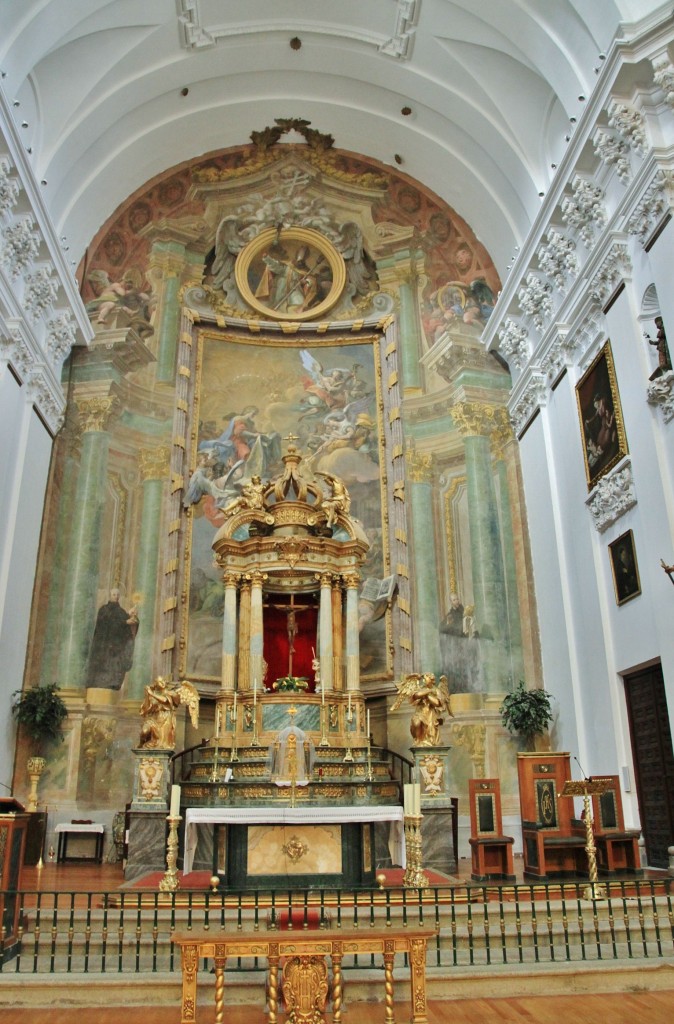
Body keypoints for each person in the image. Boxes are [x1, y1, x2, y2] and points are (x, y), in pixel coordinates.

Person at [86, 589, 138, 690]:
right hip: (104, 647)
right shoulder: (104, 610)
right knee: (104, 669)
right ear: (110, 596)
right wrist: (125, 622)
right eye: (114, 594)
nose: (116, 596)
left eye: (118, 595)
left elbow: (124, 623)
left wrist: (131, 616)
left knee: (114, 670)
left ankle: (113, 684)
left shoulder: (121, 611)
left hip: (116, 648)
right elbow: (108, 623)